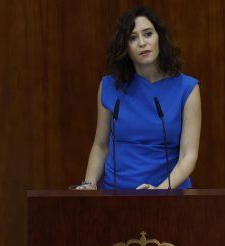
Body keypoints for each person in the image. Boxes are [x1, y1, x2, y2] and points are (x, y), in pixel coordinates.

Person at [76, 7, 201, 190]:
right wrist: (88, 184)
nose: (142, 43)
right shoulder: (110, 86)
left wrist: (160, 190)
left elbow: (188, 155)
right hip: (116, 196)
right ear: (125, 47)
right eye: (133, 38)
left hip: (169, 196)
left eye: (148, 34)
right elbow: (101, 146)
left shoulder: (187, 89)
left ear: (160, 37)